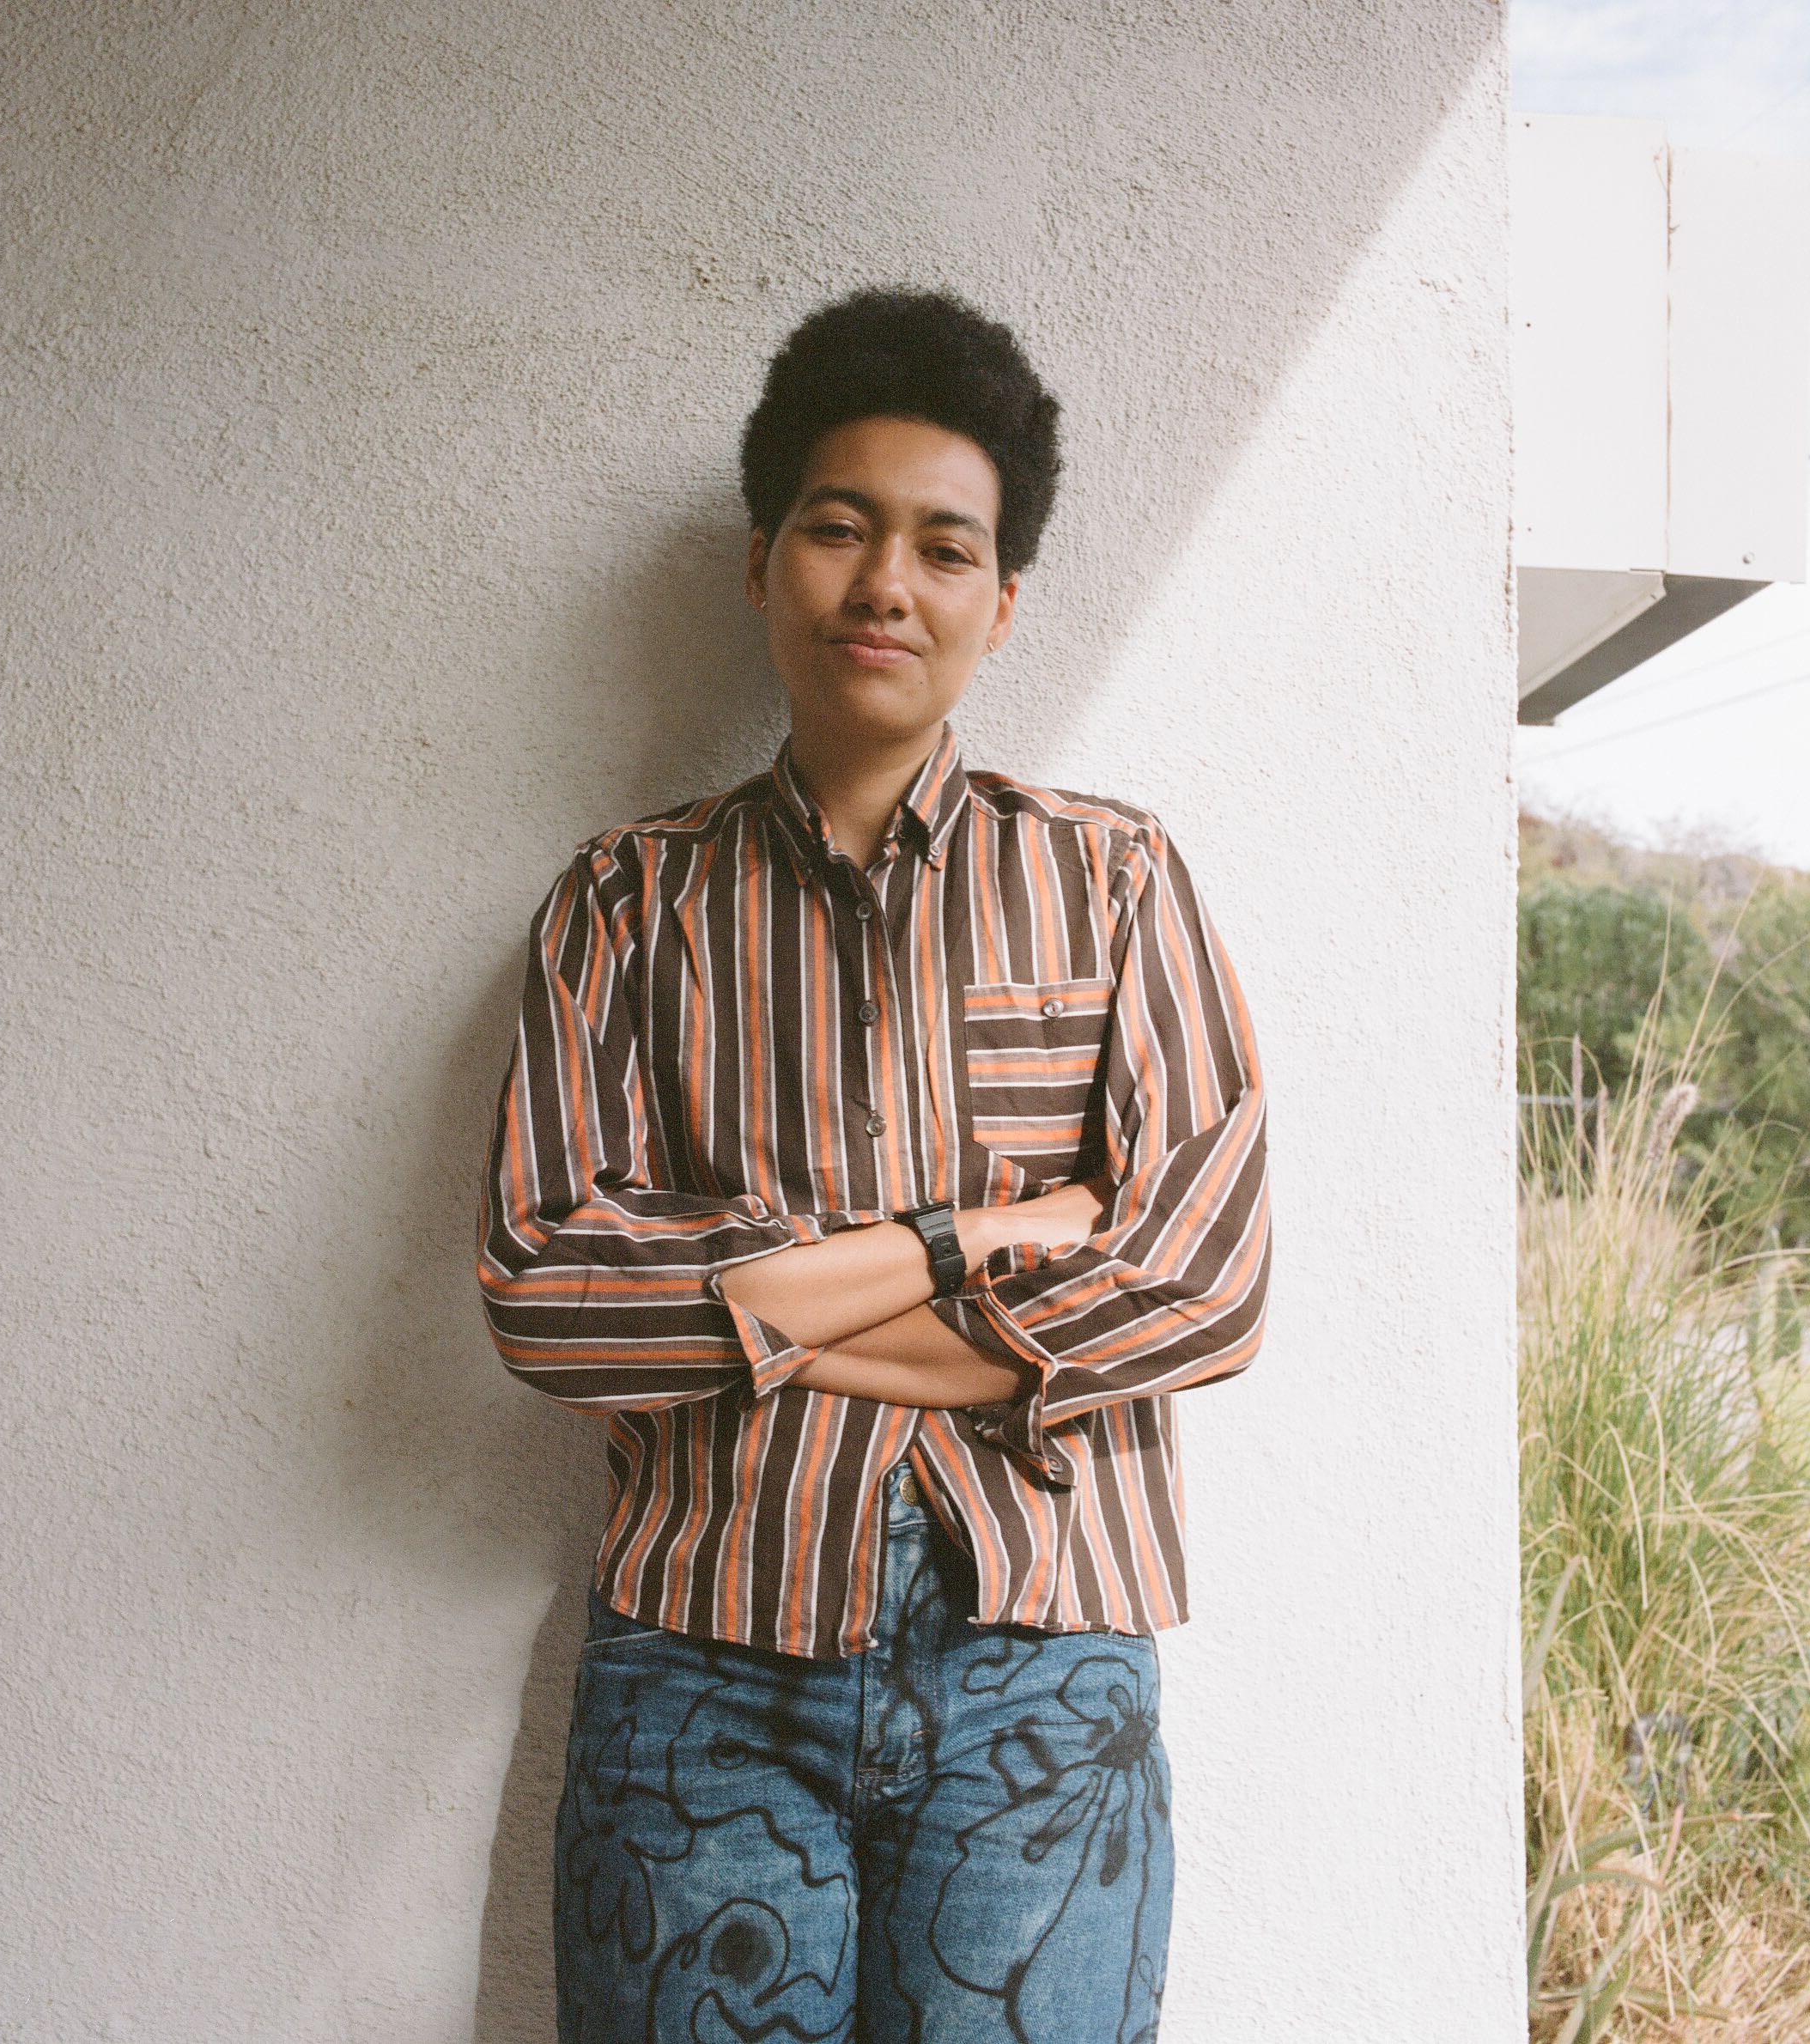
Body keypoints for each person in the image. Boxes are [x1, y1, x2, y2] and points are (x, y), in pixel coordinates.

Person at [477, 286, 1272, 2044]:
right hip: (701, 1667)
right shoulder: (625, 901)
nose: (884, 583)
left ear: (1004, 602)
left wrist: (762, 1301)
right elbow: (547, 1295)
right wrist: (972, 1233)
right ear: (762, 560)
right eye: (838, 527)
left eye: (942, 545)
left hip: (1042, 1678)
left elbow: (1202, 1285)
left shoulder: (1114, 881)